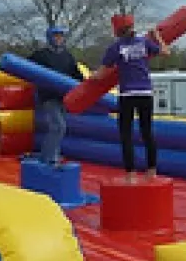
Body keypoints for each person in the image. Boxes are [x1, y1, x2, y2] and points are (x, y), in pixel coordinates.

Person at [91, 14, 170, 184]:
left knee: (126, 134)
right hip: (145, 93)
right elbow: (165, 52)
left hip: (127, 94)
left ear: (116, 31)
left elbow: (101, 74)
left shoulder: (115, 48)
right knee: (147, 132)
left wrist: (91, 78)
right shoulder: (144, 43)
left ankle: (131, 174)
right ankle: (152, 171)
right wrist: (157, 37)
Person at [28, 27, 84, 166]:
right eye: (56, 36)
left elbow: (76, 74)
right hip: (48, 97)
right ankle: (48, 159)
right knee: (58, 126)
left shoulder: (67, 56)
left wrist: (86, 86)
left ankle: (53, 155)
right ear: (50, 38)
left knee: (59, 127)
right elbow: (26, 67)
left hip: (63, 97)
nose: (59, 39)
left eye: (61, 36)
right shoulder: (41, 55)